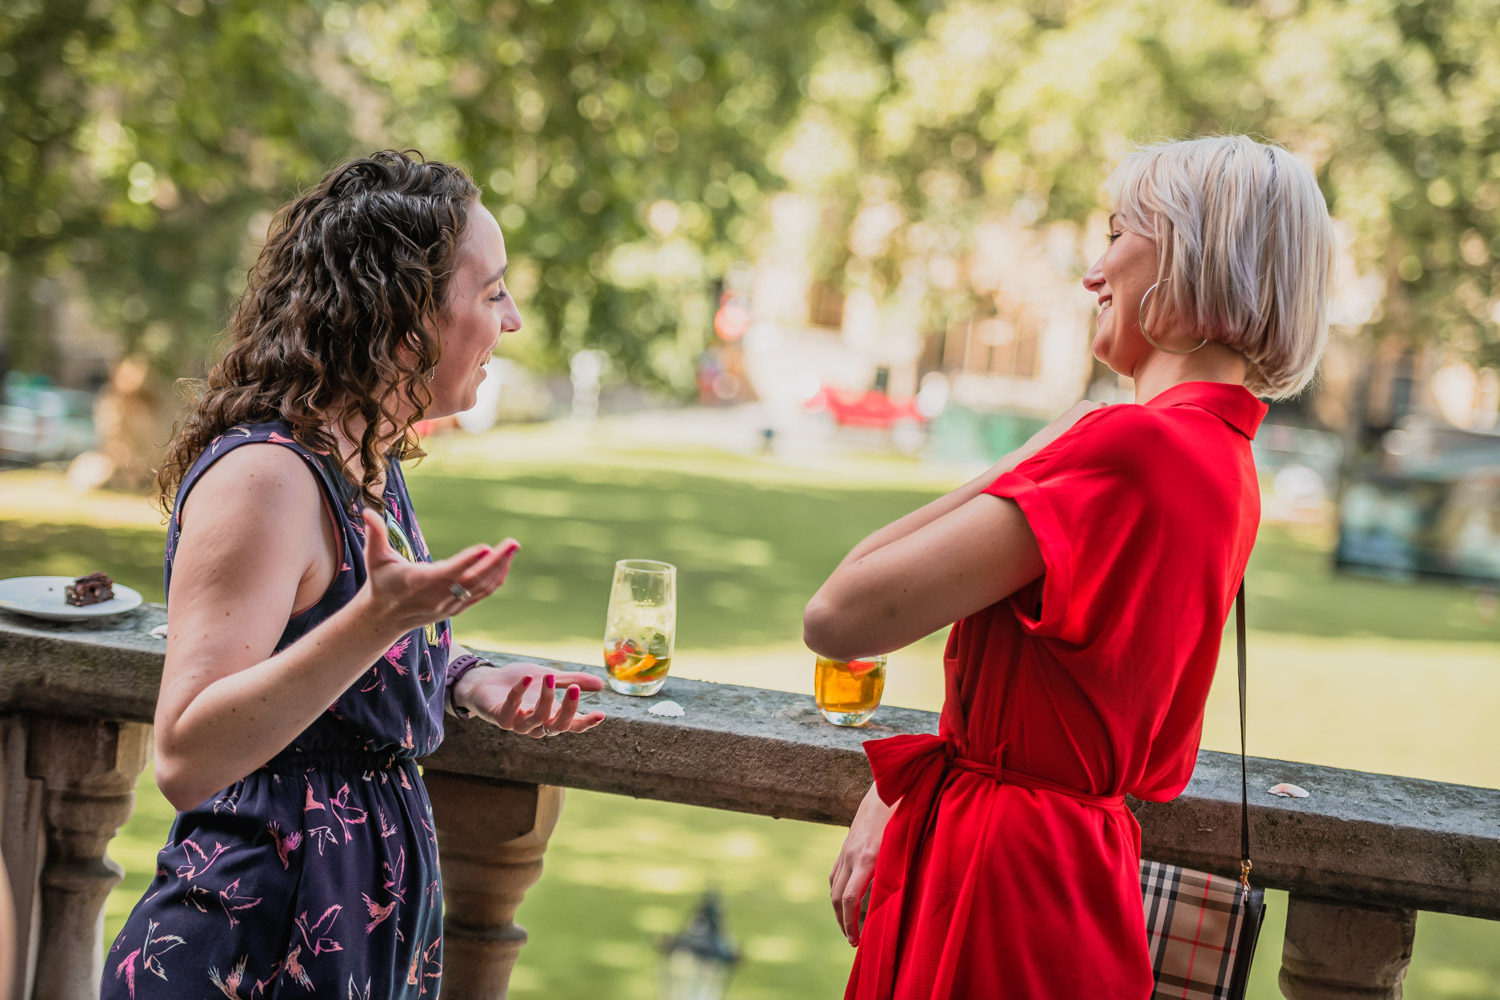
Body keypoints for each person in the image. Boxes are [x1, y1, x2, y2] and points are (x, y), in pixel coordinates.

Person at [806, 134, 1334, 999]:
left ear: (1193, 259)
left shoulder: (1123, 445)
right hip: (1077, 878)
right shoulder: (1228, 460)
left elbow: (839, 616)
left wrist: (1046, 446)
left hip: (994, 892)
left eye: (1119, 234)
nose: (1095, 272)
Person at [103, 150, 605, 998]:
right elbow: (187, 754)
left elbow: (324, 670)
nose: (512, 320)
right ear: (405, 319)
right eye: (491, 293)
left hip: (347, 951)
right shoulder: (266, 477)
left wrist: (466, 675)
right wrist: (380, 621)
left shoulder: (363, 456)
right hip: (244, 959)